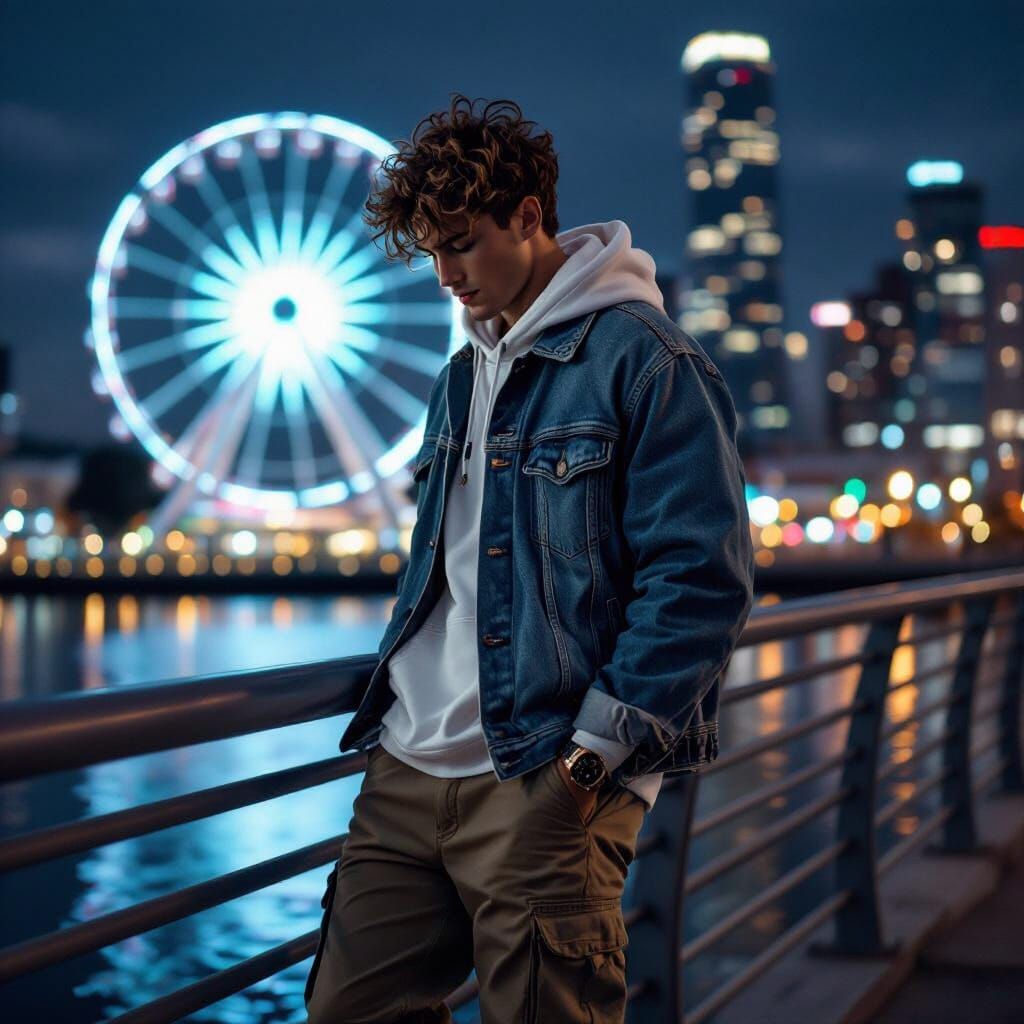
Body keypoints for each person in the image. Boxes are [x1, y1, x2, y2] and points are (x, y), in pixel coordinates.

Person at [305, 93, 755, 1024]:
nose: (444, 275)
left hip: (541, 775)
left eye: (462, 242)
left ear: (528, 215)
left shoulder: (649, 362)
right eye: (431, 252)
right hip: (403, 772)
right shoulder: (457, 375)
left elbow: (701, 581)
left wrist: (587, 768)